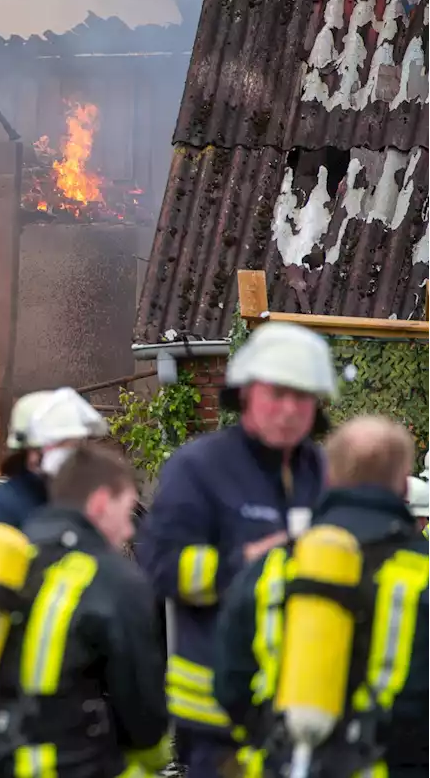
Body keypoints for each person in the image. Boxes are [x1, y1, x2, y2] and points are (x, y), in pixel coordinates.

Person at [135, 321, 336, 778]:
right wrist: (244, 565)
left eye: (301, 396)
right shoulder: (199, 468)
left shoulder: (322, 473)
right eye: (276, 393)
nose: (289, 409)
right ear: (245, 393)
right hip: (217, 716)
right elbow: (160, 565)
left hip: (302, 705)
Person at [0, 444, 170, 778]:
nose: (129, 530)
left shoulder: (9, 558)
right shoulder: (114, 581)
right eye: (125, 513)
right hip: (68, 763)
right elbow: (143, 714)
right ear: (99, 503)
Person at [214, 415, 430, 778]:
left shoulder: (272, 568)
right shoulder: (422, 572)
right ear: (404, 484)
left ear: (329, 475)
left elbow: (229, 683)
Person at [0, 388, 110, 533]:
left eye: (77, 445)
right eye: (64, 444)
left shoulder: (73, 505)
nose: (74, 455)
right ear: (32, 453)